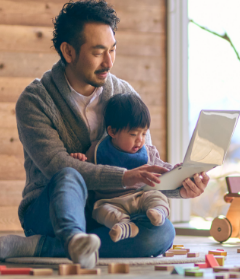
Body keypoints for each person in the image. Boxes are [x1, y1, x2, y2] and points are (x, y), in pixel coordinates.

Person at [0, 0, 209, 268]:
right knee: (68, 175)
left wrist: (179, 186)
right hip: (51, 212)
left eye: (113, 50)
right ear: (69, 52)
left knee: (162, 232)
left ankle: (42, 248)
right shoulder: (36, 100)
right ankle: (70, 238)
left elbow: (141, 163)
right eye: (98, 52)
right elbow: (56, 165)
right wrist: (124, 177)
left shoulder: (124, 94)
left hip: (111, 210)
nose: (108, 62)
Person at [71, 93, 173, 243]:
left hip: (140, 197)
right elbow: (86, 173)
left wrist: (177, 171)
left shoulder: (148, 152)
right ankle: (125, 226)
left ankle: (158, 212)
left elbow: (163, 169)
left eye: (144, 133)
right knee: (100, 211)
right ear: (112, 132)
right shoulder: (97, 150)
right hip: (110, 202)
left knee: (156, 196)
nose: (140, 140)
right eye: (133, 134)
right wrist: (78, 159)